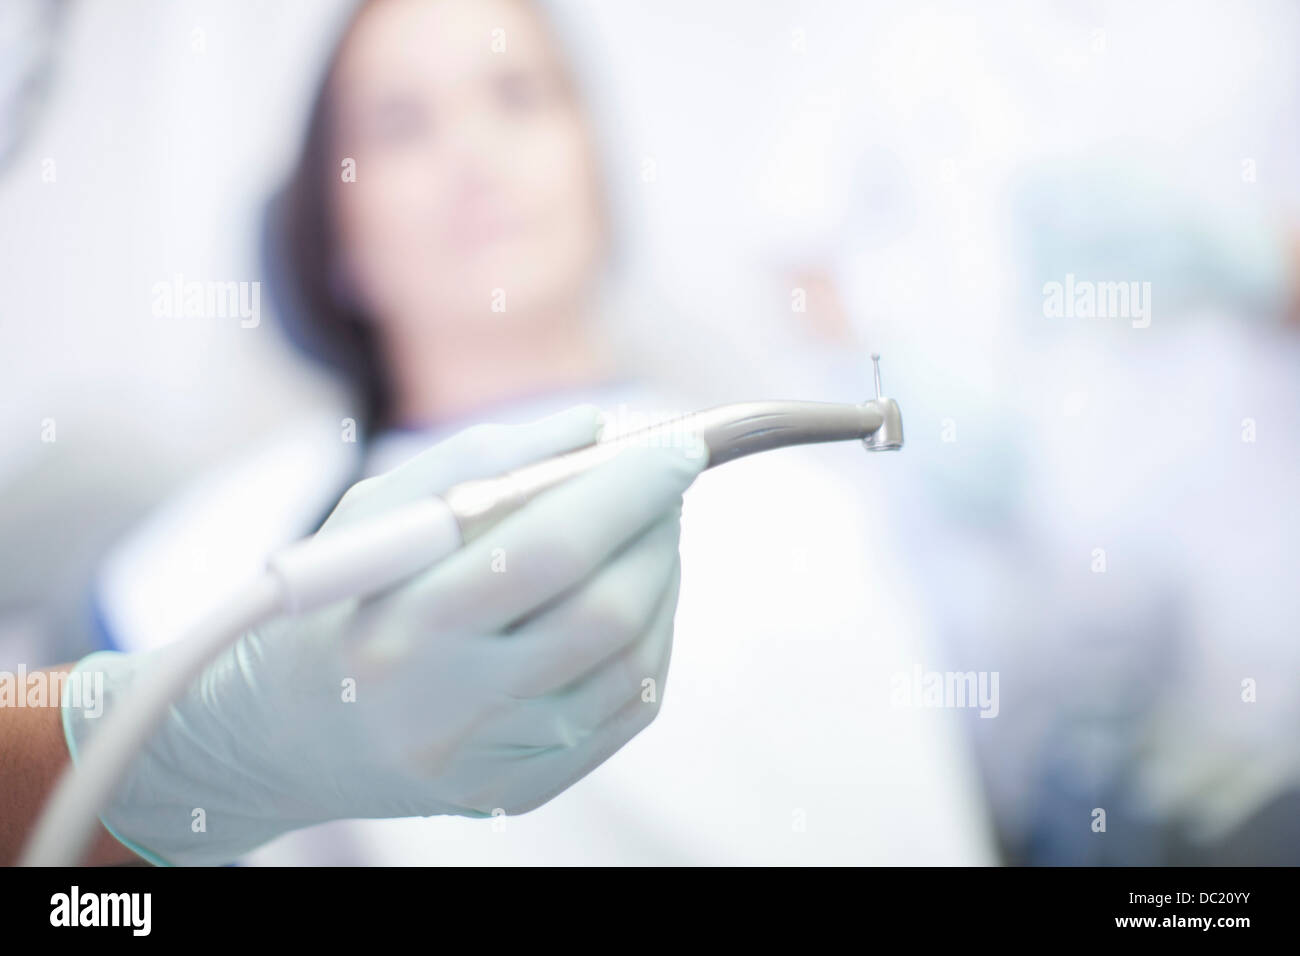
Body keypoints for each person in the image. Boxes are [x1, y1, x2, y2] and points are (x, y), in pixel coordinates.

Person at [12, 0, 993, 865]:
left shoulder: (811, 504)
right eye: (401, 125)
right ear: (334, 233)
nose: (471, 152)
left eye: (517, 95)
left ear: (599, 175)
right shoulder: (211, 558)